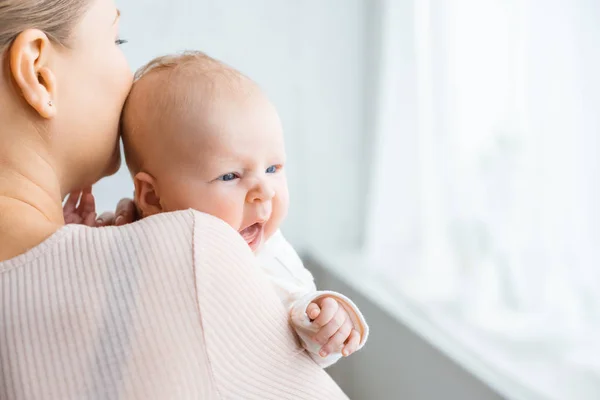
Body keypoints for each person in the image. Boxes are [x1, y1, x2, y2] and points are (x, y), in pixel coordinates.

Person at [0, 0, 350, 398]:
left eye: (273, 169)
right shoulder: (194, 246)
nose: (128, 74)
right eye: (117, 39)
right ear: (38, 72)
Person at [120, 51, 369, 368]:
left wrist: (324, 322)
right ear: (153, 198)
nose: (264, 191)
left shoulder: (268, 257)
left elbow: (298, 315)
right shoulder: (131, 232)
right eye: (230, 176)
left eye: (273, 168)